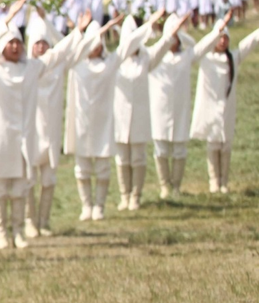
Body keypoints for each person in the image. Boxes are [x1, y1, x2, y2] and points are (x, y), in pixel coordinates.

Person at [0, 0, 88, 249]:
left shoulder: (32, 68)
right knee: (0, 187)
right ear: (2, 46)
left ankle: (18, 231)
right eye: (10, 43)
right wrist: (5, 22)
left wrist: (77, 32)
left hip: (23, 138)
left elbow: (57, 55)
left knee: (21, 187)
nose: (15, 47)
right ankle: (1, 232)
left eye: (17, 42)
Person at [23, 9, 87, 238]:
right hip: (30, 132)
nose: (40, 48)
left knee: (48, 180)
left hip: (51, 131)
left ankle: (44, 220)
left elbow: (69, 50)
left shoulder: (58, 65)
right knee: (29, 179)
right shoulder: (26, 68)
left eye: (44, 44)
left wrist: (76, 30)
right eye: (37, 44)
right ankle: (30, 221)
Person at [64, 14, 132, 221]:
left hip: (103, 122)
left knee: (103, 167)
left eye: (98, 42)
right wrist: (80, 30)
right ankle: (86, 206)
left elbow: (129, 45)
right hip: (81, 122)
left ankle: (99, 206)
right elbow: (64, 51)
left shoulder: (110, 63)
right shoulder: (77, 64)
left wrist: (117, 28)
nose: (94, 47)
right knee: (82, 168)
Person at [190, 11, 259, 193]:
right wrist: (217, 30)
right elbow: (199, 49)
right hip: (210, 106)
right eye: (220, 38)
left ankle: (224, 182)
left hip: (227, 106)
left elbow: (250, 42)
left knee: (226, 144)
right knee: (213, 143)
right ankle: (214, 180)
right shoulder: (206, 58)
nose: (222, 42)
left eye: (225, 38)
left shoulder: (233, 58)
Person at [111, 11, 171, 211]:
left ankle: (136, 195)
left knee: (138, 158)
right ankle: (124, 195)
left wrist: (169, 29)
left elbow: (163, 46)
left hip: (139, 115)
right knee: (122, 158)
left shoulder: (146, 57)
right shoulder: (117, 59)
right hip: (120, 115)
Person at [148, 15, 197, 198]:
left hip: (180, 109)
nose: (173, 41)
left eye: (176, 37)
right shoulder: (155, 56)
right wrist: (167, 36)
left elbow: (198, 46)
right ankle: (164, 186)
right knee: (160, 148)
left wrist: (181, 33)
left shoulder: (186, 56)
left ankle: (176, 185)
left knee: (179, 149)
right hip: (160, 109)